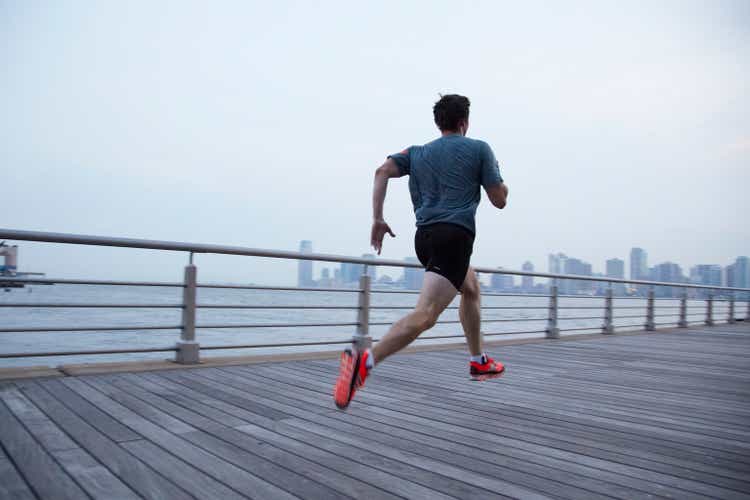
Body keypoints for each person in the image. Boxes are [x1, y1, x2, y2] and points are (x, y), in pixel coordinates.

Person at [334, 94, 509, 409]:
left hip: (424, 239)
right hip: (454, 237)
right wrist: (499, 181)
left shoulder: (417, 153)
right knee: (426, 315)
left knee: (470, 287)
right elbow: (499, 199)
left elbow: (381, 171)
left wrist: (377, 218)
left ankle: (478, 360)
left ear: (438, 122)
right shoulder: (479, 149)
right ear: (464, 122)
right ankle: (365, 364)